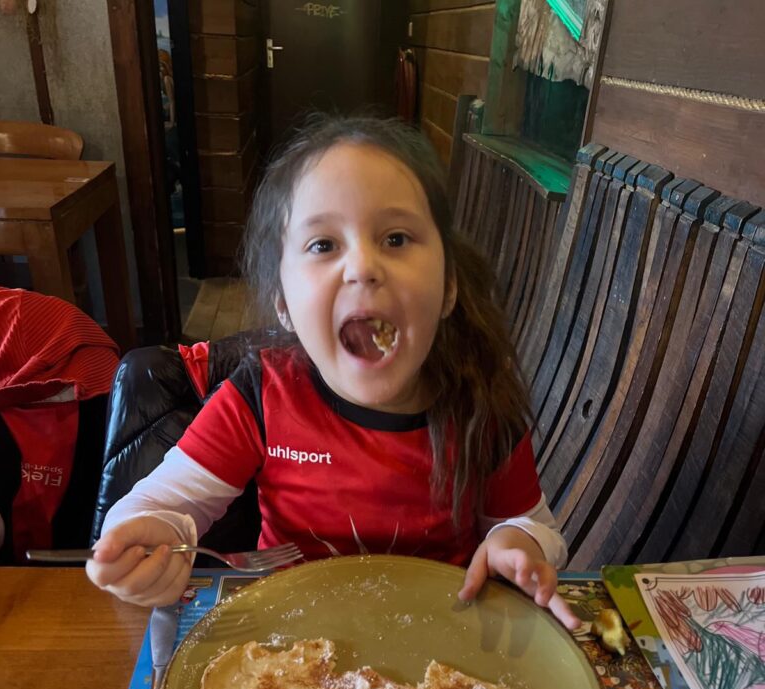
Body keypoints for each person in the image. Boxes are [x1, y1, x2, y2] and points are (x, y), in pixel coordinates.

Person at [87, 114, 579, 628]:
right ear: (282, 302)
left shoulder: (480, 403)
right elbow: (159, 503)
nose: (362, 265)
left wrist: (515, 542)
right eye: (323, 245)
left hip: (437, 656)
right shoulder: (261, 396)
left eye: (395, 238)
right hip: (292, 651)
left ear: (449, 286)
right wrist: (143, 536)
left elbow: (537, 530)